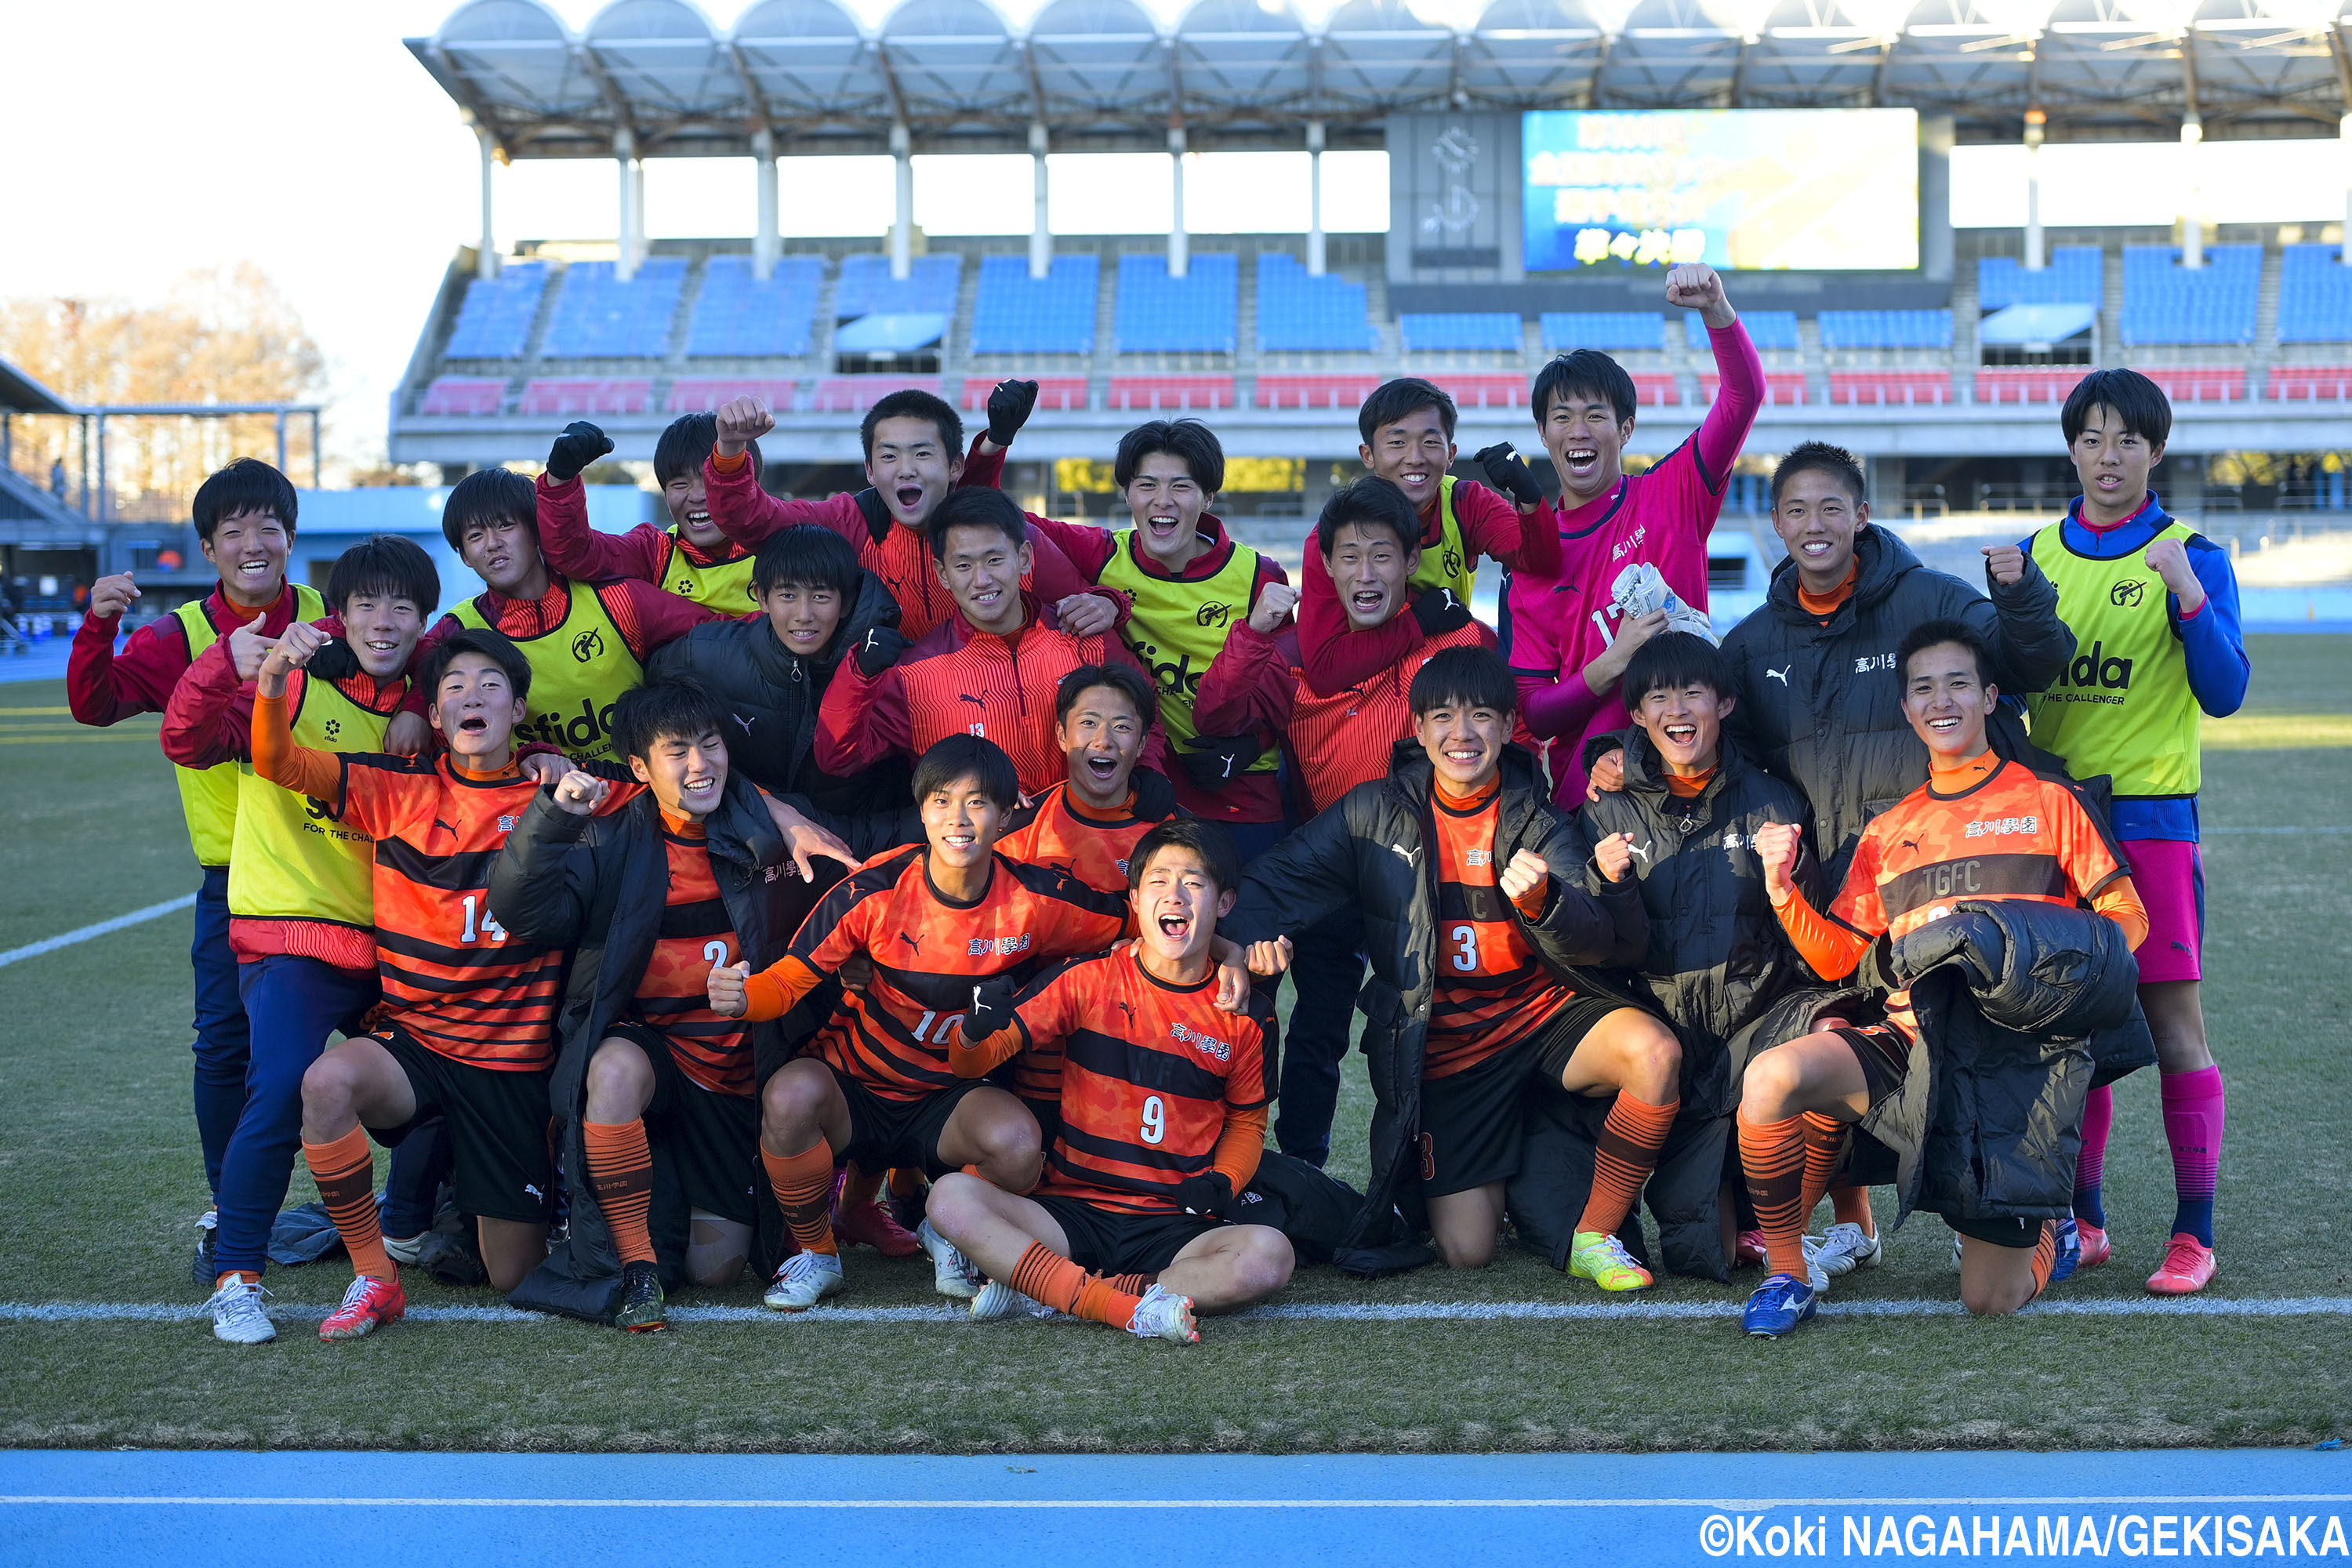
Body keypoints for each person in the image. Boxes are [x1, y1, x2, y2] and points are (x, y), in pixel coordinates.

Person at [1595, 441, 2074, 1266]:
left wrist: (2021, 594)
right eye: (1796, 510)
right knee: (1839, 1053)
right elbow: (1706, 741)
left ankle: (2026, 1211)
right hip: (1820, 899)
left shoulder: (1931, 599)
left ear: (1862, 514)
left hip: (1935, 876)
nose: (1813, 524)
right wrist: (1627, 759)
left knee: (1963, 1045)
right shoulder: (1753, 642)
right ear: (1776, 523)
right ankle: (1851, 1218)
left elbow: (2033, 662)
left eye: (1831, 507)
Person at [1738, 619, 2146, 1337]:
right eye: (1923, 688)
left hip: (2014, 1063)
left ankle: (2054, 1229)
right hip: (1908, 1045)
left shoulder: (2050, 801)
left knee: (1991, 1300)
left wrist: (2036, 972)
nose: (1941, 700)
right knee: (1772, 1077)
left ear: (1991, 697)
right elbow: (1840, 959)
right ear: (1906, 710)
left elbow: (2127, 922)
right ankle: (1786, 1272)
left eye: (1958, 682)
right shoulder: (1889, 829)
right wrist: (1781, 890)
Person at [1229, 645, 1671, 1283]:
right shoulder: (1374, 810)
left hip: (1545, 1023)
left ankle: (1594, 1228)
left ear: (1506, 726)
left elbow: (1599, 940)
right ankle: (1524, 1155)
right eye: (1443, 717)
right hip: (1453, 1053)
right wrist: (1220, 948)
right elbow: (1275, 882)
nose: (1462, 735)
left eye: (1482, 717)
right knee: (1469, 1251)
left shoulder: (1535, 818)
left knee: (1655, 1053)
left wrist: (1547, 904)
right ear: (1417, 729)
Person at [253, 626, 637, 1338]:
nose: (472, 696)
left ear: (519, 710)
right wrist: (274, 678)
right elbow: (274, 760)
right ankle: (375, 1276)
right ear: (434, 716)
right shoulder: (393, 787)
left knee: (514, 1278)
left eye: (491, 685)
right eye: (455, 687)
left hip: (510, 1066)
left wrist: (789, 822)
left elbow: (676, 788)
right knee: (325, 1083)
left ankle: (488, 1200)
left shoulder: (564, 788)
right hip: (417, 1043)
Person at [486, 681, 855, 1331]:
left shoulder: (775, 831)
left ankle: (656, 1192)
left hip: (731, 1078)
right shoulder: (611, 839)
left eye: (710, 746)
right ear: (638, 768)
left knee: (717, 1271)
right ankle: (634, 1269)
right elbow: (520, 911)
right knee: (614, 1068)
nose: (699, 765)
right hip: (651, 1052)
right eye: (677, 751)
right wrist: (553, 818)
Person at [160, 535, 439, 1344]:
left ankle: (416, 1224)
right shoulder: (284, 682)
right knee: (281, 1080)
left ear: (423, 620)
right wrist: (224, 663)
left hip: (399, 939)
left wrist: (424, 693)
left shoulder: (438, 692)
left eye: (402, 607)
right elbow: (185, 740)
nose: (383, 622)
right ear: (336, 615)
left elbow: (470, 659)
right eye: (365, 605)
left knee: (463, 1077)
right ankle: (238, 1274)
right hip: (295, 931)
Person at [67, 458, 328, 1271]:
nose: (254, 542)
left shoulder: (327, 612)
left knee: (400, 1033)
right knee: (224, 1045)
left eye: (268, 526)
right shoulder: (179, 633)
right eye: (234, 531)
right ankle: (230, 1206)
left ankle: (419, 1204)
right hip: (238, 878)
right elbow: (96, 701)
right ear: (210, 548)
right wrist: (97, 624)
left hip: (342, 859)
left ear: (290, 537)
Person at [2020, 368, 2249, 1294]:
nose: (2107, 456)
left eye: (2127, 440)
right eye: (2091, 438)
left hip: (2152, 822)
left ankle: (2195, 1233)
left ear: (2156, 450)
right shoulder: (2033, 555)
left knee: (2173, 1028)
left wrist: (2188, 593)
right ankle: (2086, 1217)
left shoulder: (2193, 551)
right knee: (2076, 1031)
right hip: (2059, 827)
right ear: (2071, 447)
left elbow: (2227, 691)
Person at [1192, 475, 1494, 1166]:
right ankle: (1299, 1168)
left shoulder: (1454, 638)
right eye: (1350, 556)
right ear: (1325, 566)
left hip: (1430, 874)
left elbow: (1512, 731)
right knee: (1319, 1027)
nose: (1366, 572)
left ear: (1412, 561)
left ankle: (1439, 1176)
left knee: (1429, 1026)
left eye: (1383, 555)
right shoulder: (1300, 655)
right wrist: (1252, 633)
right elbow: (1216, 715)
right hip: (1329, 868)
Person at [926, 818, 1291, 1343]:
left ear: (1224, 903)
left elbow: (1247, 1121)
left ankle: (1057, 1291)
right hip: (1072, 1212)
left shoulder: (1246, 1014)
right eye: (1160, 880)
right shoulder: (1087, 978)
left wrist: (1225, 1182)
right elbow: (974, 1061)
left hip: (1173, 1224)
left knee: (1269, 1257)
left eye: (1194, 882)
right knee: (950, 1198)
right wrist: (971, 1032)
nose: (1176, 895)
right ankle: (1123, 1305)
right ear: (1136, 897)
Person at [1573, 632, 1829, 1278]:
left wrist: (1789, 879)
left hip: (1754, 1033)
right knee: (1702, 1256)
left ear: (1726, 704)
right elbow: (1599, 943)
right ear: (1635, 715)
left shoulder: (1776, 801)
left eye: (1693, 692)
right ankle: (1604, 1229)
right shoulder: (1607, 810)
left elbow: (1810, 939)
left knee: (1830, 1038)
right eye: (1658, 696)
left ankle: (1817, 1231)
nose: (1676, 709)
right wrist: (1609, 884)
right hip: (1673, 1041)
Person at [1505, 262, 1765, 805]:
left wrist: (1717, 311)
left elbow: (1743, 398)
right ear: (1544, 433)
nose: (1579, 430)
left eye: (1596, 415)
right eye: (1562, 417)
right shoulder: (1529, 560)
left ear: (1625, 429)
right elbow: (1534, 711)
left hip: (1691, 784)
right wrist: (1612, 663)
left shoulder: (1673, 495)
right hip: (1590, 801)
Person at [983, 418, 1297, 858]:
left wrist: (1248, 748)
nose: (1162, 501)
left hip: (1241, 795)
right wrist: (995, 444)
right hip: (1143, 790)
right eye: (1146, 485)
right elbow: (992, 517)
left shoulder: (1257, 576)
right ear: (1127, 493)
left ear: (1208, 496)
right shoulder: (1101, 554)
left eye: (1181, 487)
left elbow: (1285, 693)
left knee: (1246, 923)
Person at [701, 383, 1124, 641]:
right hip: (891, 721)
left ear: (955, 465)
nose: (905, 469)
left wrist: (1108, 604)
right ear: (869, 469)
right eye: (889, 456)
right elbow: (752, 521)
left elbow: (1083, 596)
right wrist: (730, 451)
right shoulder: (850, 522)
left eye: (922, 453)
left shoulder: (1004, 534)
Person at [812, 488, 1165, 798]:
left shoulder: (1084, 634)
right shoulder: (913, 673)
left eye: (995, 560)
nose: (982, 580)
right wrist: (859, 675)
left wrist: (1148, 773)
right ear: (943, 575)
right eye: (963, 565)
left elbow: (1145, 710)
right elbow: (838, 758)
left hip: (1089, 847)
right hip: (982, 864)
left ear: (1024, 558)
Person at [412, 467, 717, 765]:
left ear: (537, 530)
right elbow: (405, 676)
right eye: (476, 535)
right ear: (464, 556)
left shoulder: (616, 600)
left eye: (505, 526)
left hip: (636, 798)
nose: (492, 543)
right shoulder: (458, 630)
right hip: (536, 808)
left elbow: (721, 635)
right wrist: (413, 712)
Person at [1290, 379, 1562, 699]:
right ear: (1368, 454)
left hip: (1443, 686)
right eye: (1397, 443)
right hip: (1367, 699)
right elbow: (1325, 668)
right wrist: (1421, 621)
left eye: (1431, 442)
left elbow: (1543, 563)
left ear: (1451, 454)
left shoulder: (1466, 503)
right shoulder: (1335, 538)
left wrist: (1529, 496)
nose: (1415, 457)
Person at [647, 524, 910, 818]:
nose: (803, 615)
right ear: (762, 597)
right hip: (745, 841)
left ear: (846, 601)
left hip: (859, 845)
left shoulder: (885, 668)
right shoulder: (705, 654)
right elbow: (652, 700)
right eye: (787, 596)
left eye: (821, 597)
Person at [526, 412, 764, 613]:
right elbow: (576, 555)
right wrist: (559, 478)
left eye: (712, 483)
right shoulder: (655, 553)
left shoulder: (779, 542)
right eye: (680, 484)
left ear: (748, 484)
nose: (697, 496)